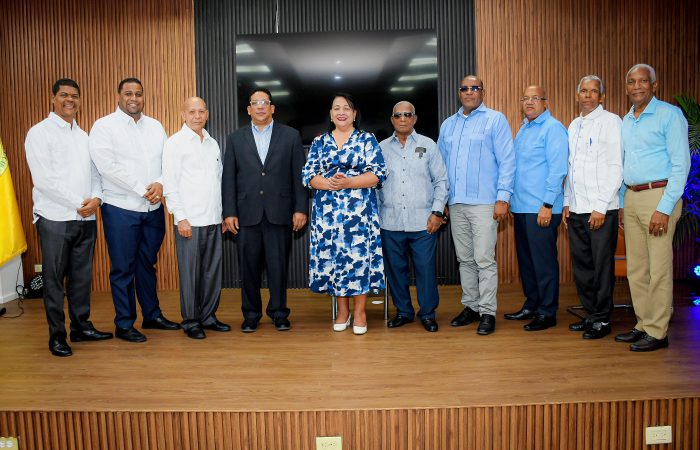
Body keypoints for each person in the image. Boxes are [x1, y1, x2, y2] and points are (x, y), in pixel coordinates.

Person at [25, 78, 113, 356]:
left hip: (85, 219)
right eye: (64, 95)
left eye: (74, 95)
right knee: (53, 280)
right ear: (53, 98)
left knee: (81, 278)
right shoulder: (39, 133)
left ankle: (81, 327)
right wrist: (79, 204)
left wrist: (96, 199)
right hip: (55, 218)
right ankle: (57, 336)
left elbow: (96, 174)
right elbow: (44, 180)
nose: (69, 100)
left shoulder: (84, 137)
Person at [89, 77, 180, 343]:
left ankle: (152, 315)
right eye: (128, 93)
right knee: (123, 268)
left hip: (152, 209)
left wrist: (160, 183)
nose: (133, 98)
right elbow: (107, 167)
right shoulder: (104, 126)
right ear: (119, 96)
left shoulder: (155, 126)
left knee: (147, 265)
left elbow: (167, 161)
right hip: (121, 208)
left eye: (138, 94)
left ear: (143, 97)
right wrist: (142, 189)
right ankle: (125, 323)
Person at [615, 64, 690, 352]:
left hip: (659, 196)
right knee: (637, 268)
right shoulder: (626, 120)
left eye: (643, 81)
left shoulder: (670, 115)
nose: (637, 86)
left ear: (654, 85)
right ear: (626, 88)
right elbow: (625, 165)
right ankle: (643, 323)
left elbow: (681, 165)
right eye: (631, 82)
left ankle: (658, 331)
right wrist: (623, 203)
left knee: (658, 268)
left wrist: (664, 208)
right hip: (632, 197)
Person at [222, 88, 307, 333]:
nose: (260, 106)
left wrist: (300, 208)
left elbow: (298, 176)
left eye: (265, 102)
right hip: (246, 213)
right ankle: (251, 315)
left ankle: (279, 313)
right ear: (249, 109)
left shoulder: (290, 136)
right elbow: (229, 178)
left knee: (278, 267)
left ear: (272, 108)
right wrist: (229, 212)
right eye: (255, 103)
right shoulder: (235, 138)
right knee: (248, 269)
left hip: (279, 212)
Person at [302, 93, 387, 335]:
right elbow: (308, 175)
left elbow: (379, 174)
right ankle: (343, 312)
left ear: (354, 114)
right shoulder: (319, 142)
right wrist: (331, 183)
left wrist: (348, 182)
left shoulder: (367, 139)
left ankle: (360, 312)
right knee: (335, 259)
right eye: (336, 108)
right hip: (327, 215)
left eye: (346, 108)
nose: (341, 112)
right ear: (331, 114)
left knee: (359, 260)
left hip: (360, 214)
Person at [438, 75, 515, 335]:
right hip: (456, 203)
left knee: (484, 259)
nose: (469, 92)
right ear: (459, 92)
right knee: (465, 259)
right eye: (465, 88)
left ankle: (487, 312)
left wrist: (503, 198)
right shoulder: (448, 125)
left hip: (485, 203)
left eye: (474, 88)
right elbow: (440, 167)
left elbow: (507, 161)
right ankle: (471, 306)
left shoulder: (495, 120)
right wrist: (442, 200)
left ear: (482, 91)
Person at [162, 97, 230, 339]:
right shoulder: (174, 143)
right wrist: (180, 217)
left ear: (207, 114)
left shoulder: (212, 143)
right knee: (190, 274)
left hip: (213, 218)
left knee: (212, 272)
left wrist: (222, 214)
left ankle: (208, 316)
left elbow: (219, 182)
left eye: (201, 111)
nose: (197, 116)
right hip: (189, 221)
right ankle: (191, 321)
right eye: (192, 112)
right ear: (183, 114)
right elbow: (170, 183)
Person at [378, 101, 448, 332]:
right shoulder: (381, 148)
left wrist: (437, 212)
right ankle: (404, 312)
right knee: (396, 271)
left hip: (423, 223)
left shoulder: (429, 145)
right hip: (390, 222)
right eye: (398, 115)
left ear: (414, 119)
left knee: (425, 270)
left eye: (407, 114)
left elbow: (441, 181)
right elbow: (374, 185)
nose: (403, 119)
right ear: (392, 120)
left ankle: (427, 314)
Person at [504, 85, 568, 331]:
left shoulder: (553, 128)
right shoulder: (523, 129)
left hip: (542, 208)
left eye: (535, 98)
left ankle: (547, 312)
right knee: (527, 262)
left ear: (545, 102)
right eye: (525, 98)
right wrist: (512, 201)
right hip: (522, 208)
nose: (529, 102)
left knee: (543, 263)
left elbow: (558, 170)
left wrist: (548, 204)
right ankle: (532, 304)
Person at [563, 75, 623, 340]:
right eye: (584, 91)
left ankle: (602, 318)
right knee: (583, 266)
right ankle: (590, 313)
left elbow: (616, 167)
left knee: (601, 266)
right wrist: (567, 202)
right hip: (577, 209)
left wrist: (600, 207)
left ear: (602, 97)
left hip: (601, 209)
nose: (588, 95)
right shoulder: (573, 125)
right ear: (577, 95)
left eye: (593, 91)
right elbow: (570, 168)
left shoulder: (612, 122)